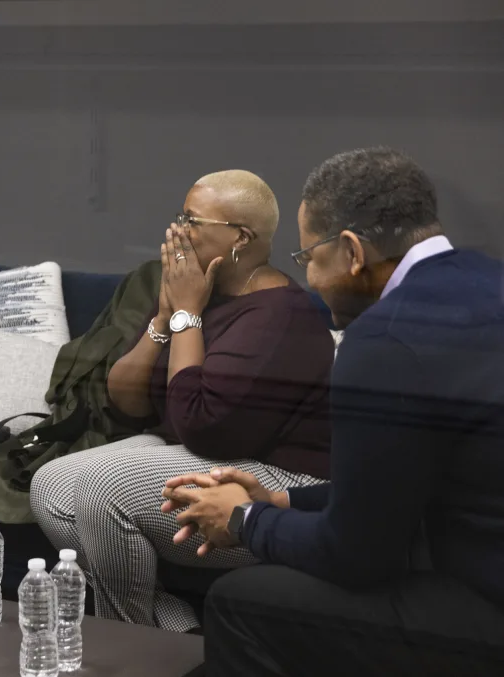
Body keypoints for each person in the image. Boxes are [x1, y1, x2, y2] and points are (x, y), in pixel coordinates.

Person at [162, 148, 504, 676]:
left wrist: (244, 519)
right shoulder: (487, 281)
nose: (313, 281)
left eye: (310, 259)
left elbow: (358, 558)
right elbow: (408, 480)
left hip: (486, 610)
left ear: (350, 251)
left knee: (240, 603)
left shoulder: (384, 339)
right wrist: (282, 498)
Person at [31, 170, 334, 631]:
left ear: (241, 238)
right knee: (49, 485)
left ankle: (130, 647)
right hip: (198, 449)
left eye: (192, 220)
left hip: (274, 474)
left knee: (100, 487)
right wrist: (166, 315)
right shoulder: (203, 291)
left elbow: (200, 426)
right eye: (180, 216)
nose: (177, 232)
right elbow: (126, 401)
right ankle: (174, 632)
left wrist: (189, 316)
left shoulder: (281, 317)